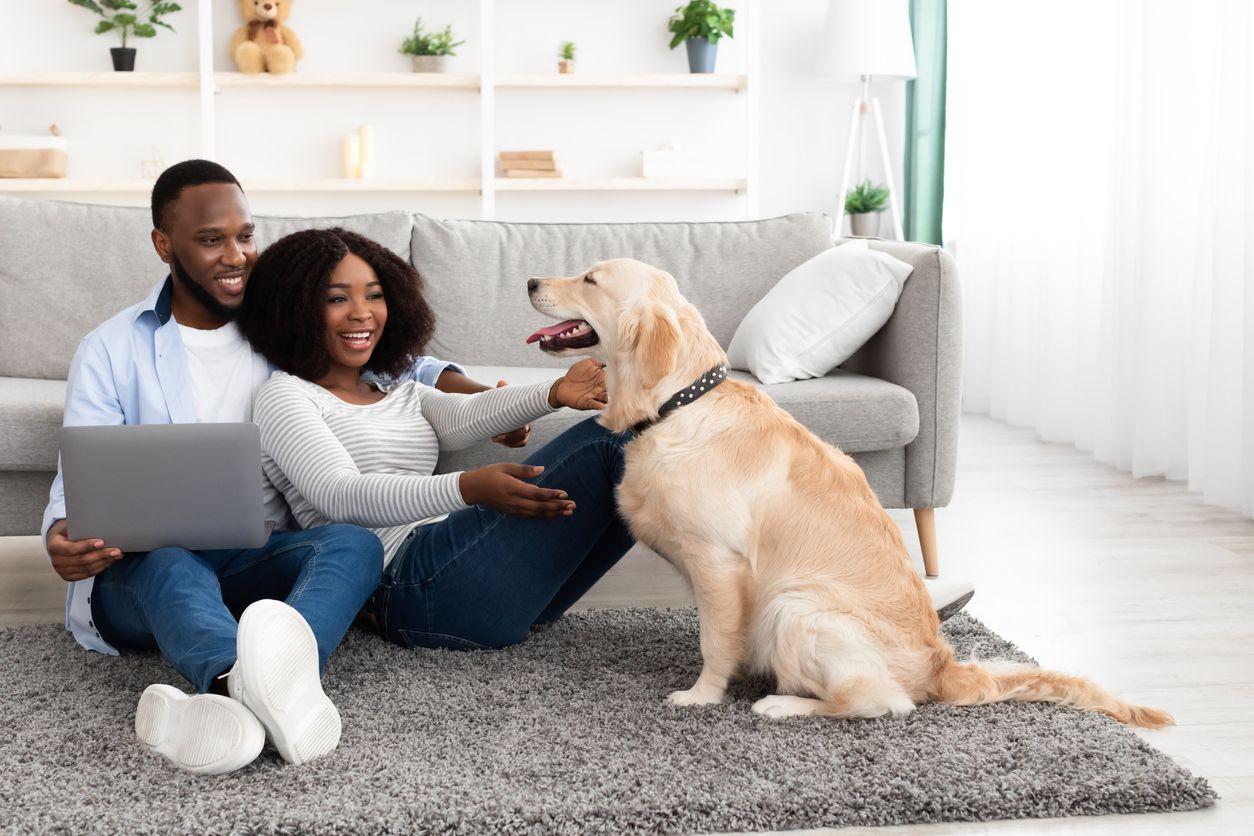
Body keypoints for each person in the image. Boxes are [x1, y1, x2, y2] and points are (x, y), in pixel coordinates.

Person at [40, 160, 529, 775]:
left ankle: (240, 706)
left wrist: (476, 393)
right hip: (144, 572)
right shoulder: (112, 348)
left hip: (257, 558)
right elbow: (77, 483)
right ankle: (236, 684)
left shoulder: (281, 324)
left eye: (245, 236)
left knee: (352, 545)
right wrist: (62, 536)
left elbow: (397, 357)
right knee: (168, 561)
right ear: (164, 245)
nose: (236, 255)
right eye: (211, 239)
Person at [237, 228, 634, 652]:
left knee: (644, 443)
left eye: (374, 296)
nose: (362, 313)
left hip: (456, 570)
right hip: (410, 584)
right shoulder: (284, 395)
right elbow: (339, 494)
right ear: (294, 309)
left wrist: (555, 392)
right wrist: (467, 487)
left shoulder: (399, 392)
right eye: (337, 299)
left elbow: (466, 416)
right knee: (613, 441)